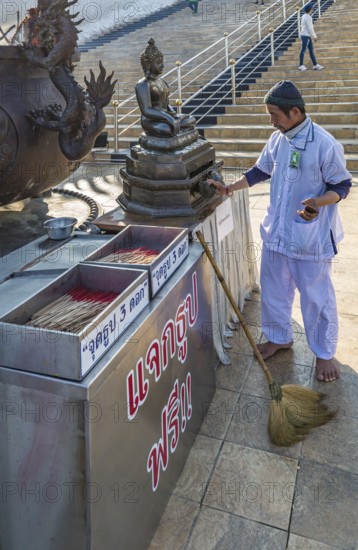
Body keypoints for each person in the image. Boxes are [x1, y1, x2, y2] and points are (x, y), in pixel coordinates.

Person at [209, 81, 351, 382]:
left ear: (295, 112)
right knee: (274, 290)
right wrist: (230, 188)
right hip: (277, 232)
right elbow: (262, 169)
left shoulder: (325, 144)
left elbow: (341, 185)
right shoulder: (278, 138)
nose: (271, 120)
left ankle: (324, 353)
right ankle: (279, 338)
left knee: (316, 296)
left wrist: (318, 203)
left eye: (275, 114)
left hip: (309, 237)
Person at [136, 38, 196, 137]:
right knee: (166, 129)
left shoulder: (161, 81)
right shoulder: (143, 85)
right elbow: (146, 110)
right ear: (148, 65)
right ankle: (174, 130)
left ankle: (176, 128)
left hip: (166, 116)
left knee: (191, 119)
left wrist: (172, 114)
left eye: (162, 62)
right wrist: (168, 118)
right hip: (151, 120)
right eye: (158, 63)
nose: (162, 65)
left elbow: (166, 103)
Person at [299, 2, 324, 71]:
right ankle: (301, 65)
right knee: (303, 50)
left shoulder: (304, 16)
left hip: (306, 36)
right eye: (312, 8)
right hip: (306, 36)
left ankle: (315, 64)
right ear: (310, 9)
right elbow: (310, 28)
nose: (313, 9)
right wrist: (314, 36)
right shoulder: (308, 17)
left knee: (311, 50)